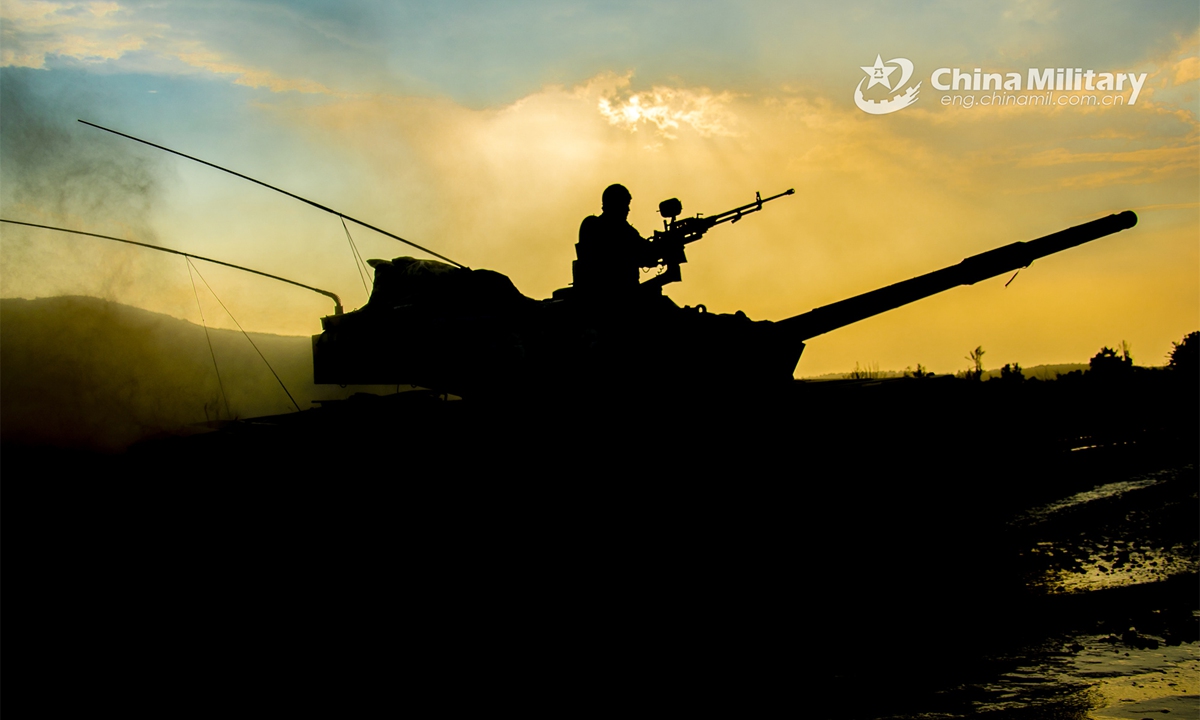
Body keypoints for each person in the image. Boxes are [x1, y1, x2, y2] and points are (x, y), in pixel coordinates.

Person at [573, 184, 657, 292]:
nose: (628, 209)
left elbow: (646, 252)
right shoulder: (598, 227)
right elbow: (642, 253)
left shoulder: (623, 231)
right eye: (625, 204)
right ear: (615, 204)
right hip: (614, 293)